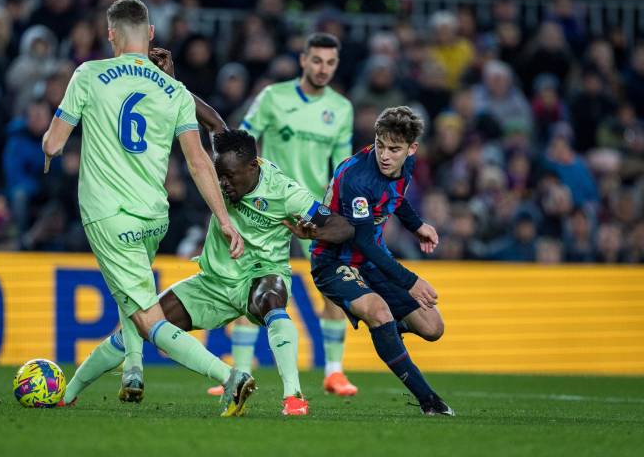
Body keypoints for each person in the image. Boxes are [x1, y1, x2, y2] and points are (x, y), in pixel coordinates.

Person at [41, 0, 252, 417]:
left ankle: (230, 377)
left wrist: (51, 151)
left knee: (148, 319)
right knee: (131, 305)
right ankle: (122, 373)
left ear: (110, 34)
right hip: (154, 217)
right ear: (150, 34)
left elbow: (53, 141)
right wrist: (225, 220)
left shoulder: (89, 74)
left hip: (108, 215)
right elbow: (197, 161)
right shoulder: (174, 90)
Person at [62, 130, 355, 416]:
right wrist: (177, 92)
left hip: (261, 274)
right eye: (220, 176)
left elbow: (344, 227)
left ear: (253, 166)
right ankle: (67, 393)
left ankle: (293, 397)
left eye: (230, 176)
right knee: (142, 326)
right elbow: (208, 119)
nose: (224, 184)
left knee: (271, 300)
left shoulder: (287, 193)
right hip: (212, 282)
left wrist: (314, 233)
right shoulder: (227, 165)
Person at [309, 106, 454, 416]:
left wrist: (417, 226)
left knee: (433, 327)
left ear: (411, 149)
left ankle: (387, 332)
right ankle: (430, 401)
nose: (385, 155)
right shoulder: (357, 178)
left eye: (394, 149)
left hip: (372, 259)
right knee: (379, 311)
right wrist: (410, 281)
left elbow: (395, 197)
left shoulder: (408, 164)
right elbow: (360, 239)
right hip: (334, 260)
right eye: (380, 145)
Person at [236, 32, 358, 396]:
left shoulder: (342, 108)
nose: (323, 69)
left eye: (331, 63)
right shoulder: (274, 97)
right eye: (317, 60)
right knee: (249, 285)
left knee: (333, 287)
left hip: (311, 208)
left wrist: (338, 211)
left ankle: (334, 371)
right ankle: (240, 371)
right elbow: (243, 139)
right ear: (303, 60)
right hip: (267, 205)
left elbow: (341, 166)